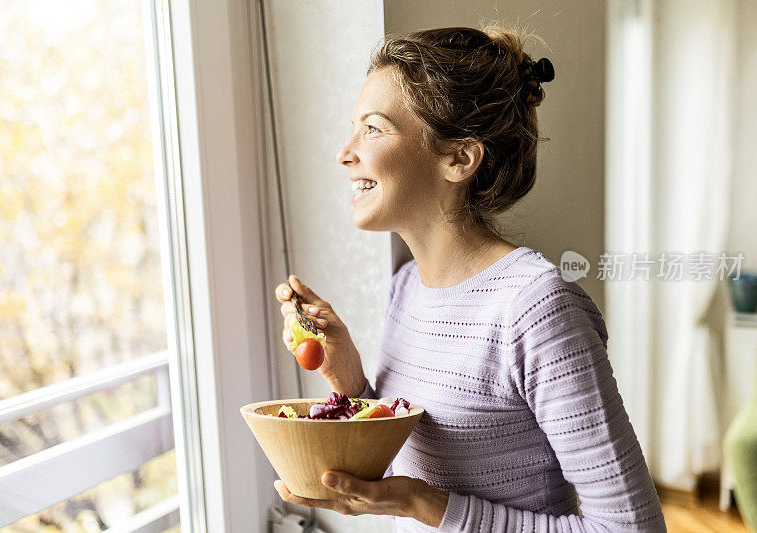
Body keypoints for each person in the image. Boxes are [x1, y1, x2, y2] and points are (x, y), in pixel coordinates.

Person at [274, 25, 665, 532]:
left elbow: (631, 528)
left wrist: (425, 505)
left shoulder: (537, 308)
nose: (344, 152)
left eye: (372, 129)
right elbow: (405, 472)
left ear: (459, 158)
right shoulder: (407, 288)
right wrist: (348, 381)